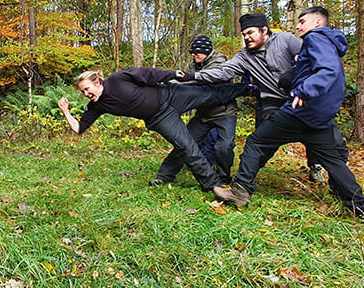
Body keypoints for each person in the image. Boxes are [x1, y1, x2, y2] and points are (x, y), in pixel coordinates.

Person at [218, 7, 364, 223]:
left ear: (318, 23)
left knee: (256, 141)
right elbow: (316, 70)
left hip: (300, 112)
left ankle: (241, 190)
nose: (299, 26)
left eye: (303, 21)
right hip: (319, 117)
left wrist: (303, 90)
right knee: (334, 162)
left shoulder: (315, 38)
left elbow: (327, 71)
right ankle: (363, 206)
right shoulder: (328, 42)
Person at [57, 67, 249, 198]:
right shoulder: (96, 106)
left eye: (87, 89)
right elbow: (79, 128)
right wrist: (66, 111)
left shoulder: (118, 78)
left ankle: (248, 88)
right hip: (159, 118)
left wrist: (176, 74)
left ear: (98, 82)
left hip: (171, 94)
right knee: (185, 145)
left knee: (209, 94)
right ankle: (214, 185)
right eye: (82, 92)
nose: (86, 94)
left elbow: (149, 74)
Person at [186, 13, 325, 183]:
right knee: (260, 143)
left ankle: (317, 168)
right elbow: (222, 71)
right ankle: (246, 179)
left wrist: (296, 78)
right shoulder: (244, 56)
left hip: (300, 99)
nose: (246, 37)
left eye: (250, 32)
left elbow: (308, 61)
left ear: (264, 30)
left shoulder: (286, 40)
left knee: (319, 139)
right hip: (270, 104)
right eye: (244, 34)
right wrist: (190, 76)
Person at [153, 35, 239, 186]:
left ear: (207, 51)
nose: (194, 55)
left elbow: (201, 80)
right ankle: (164, 176)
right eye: (192, 52)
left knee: (224, 146)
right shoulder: (193, 65)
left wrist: (179, 80)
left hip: (224, 112)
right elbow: (184, 83)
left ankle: (224, 179)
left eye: (197, 52)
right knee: (184, 143)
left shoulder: (220, 62)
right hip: (203, 114)